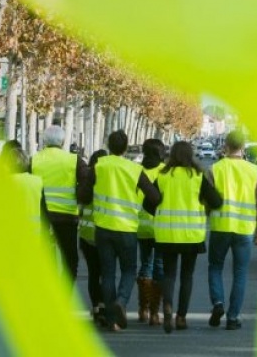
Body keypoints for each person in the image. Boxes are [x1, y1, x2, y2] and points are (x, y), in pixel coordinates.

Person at [78, 131, 160, 331]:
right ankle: (121, 302)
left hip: (103, 228)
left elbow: (85, 194)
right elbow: (155, 197)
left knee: (107, 273)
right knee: (129, 270)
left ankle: (112, 319)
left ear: (108, 145)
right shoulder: (134, 169)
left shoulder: (99, 167)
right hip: (127, 229)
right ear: (126, 147)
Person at [152, 141, 223, 334]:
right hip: (191, 235)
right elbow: (217, 201)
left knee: (168, 274)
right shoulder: (198, 177)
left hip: (166, 234)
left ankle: (167, 306)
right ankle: (181, 316)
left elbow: (148, 203)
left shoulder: (163, 176)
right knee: (186, 276)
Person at [207, 131, 257, 330]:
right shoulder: (253, 170)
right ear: (243, 146)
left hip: (220, 227)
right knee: (240, 273)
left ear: (225, 145)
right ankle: (233, 318)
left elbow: (207, 201)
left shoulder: (215, 169)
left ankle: (218, 303)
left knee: (215, 267)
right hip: (244, 230)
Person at [31, 125, 87, 282]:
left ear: (44, 141)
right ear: (63, 142)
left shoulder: (35, 159)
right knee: (70, 259)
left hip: (42, 217)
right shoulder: (73, 160)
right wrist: (80, 201)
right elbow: (86, 182)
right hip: (67, 217)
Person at [136, 138, 166, 325]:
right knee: (159, 266)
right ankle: (155, 312)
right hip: (161, 226)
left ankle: (143, 309)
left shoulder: (136, 171)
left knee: (145, 264)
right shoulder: (165, 172)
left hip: (140, 224)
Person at [79, 149, 108, 326]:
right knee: (107, 273)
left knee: (93, 273)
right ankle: (105, 306)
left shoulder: (86, 182)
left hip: (87, 234)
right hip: (107, 232)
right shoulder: (109, 182)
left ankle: (96, 307)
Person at [0, 140, 45, 233]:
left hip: (12, 231)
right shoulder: (38, 181)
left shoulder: (4, 182)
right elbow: (43, 209)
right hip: (34, 232)